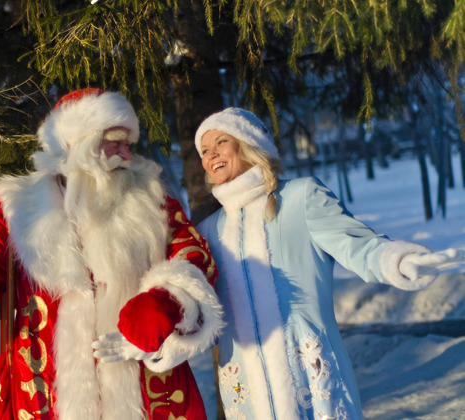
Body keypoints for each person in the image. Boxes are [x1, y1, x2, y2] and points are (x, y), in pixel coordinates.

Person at [0, 88, 224, 420]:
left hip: (145, 390)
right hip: (42, 393)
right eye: (114, 142)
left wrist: (168, 300)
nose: (126, 153)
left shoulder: (153, 203)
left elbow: (194, 257)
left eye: (127, 144)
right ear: (78, 146)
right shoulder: (15, 212)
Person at [193, 107, 464, 420]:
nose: (212, 154)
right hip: (244, 391)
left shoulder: (301, 197)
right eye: (204, 150)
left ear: (249, 143)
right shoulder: (206, 232)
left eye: (221, 142)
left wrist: (399, 260)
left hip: (312, 379)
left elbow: (358, 246)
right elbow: (201, 310)